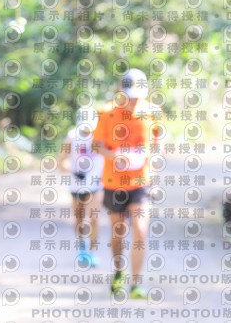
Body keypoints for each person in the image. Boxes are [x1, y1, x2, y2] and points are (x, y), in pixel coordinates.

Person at [92, 68, 163, 299]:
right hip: (114, 182)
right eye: (130, 96)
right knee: (118, 233)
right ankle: (119, 271)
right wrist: (115, 157)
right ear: (120, 90)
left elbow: (159, 138)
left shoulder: (153, 111)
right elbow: (96, 144)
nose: (134, 101)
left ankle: (135, 284)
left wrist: (154, 156)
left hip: (142, 181)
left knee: (141, 231)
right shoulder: (107, 112)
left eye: (137, 96)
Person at [57, 108, 104, 267]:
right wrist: (74, 172)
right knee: (79, 219)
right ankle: (82, 248)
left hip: (95, 184)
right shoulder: (72, 136)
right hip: (76, 185)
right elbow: (60, 161)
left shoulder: (100, 136)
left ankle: (92, 253)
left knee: (94, 218)